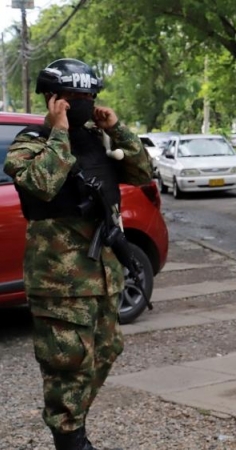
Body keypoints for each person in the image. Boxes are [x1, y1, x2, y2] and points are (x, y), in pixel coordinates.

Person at [3, 58, 152, 450]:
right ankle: (70, 438)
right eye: (72, 98)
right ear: (53, 101)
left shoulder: (97, 143)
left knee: (105, 352)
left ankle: (74, 425)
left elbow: (141, 172)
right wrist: (59, 133)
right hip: (60, 283)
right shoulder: (29, 144)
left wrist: (115, 127)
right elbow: (41, 184)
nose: (81, 104)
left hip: (101, 275)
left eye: (88, 96)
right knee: (66, 366)